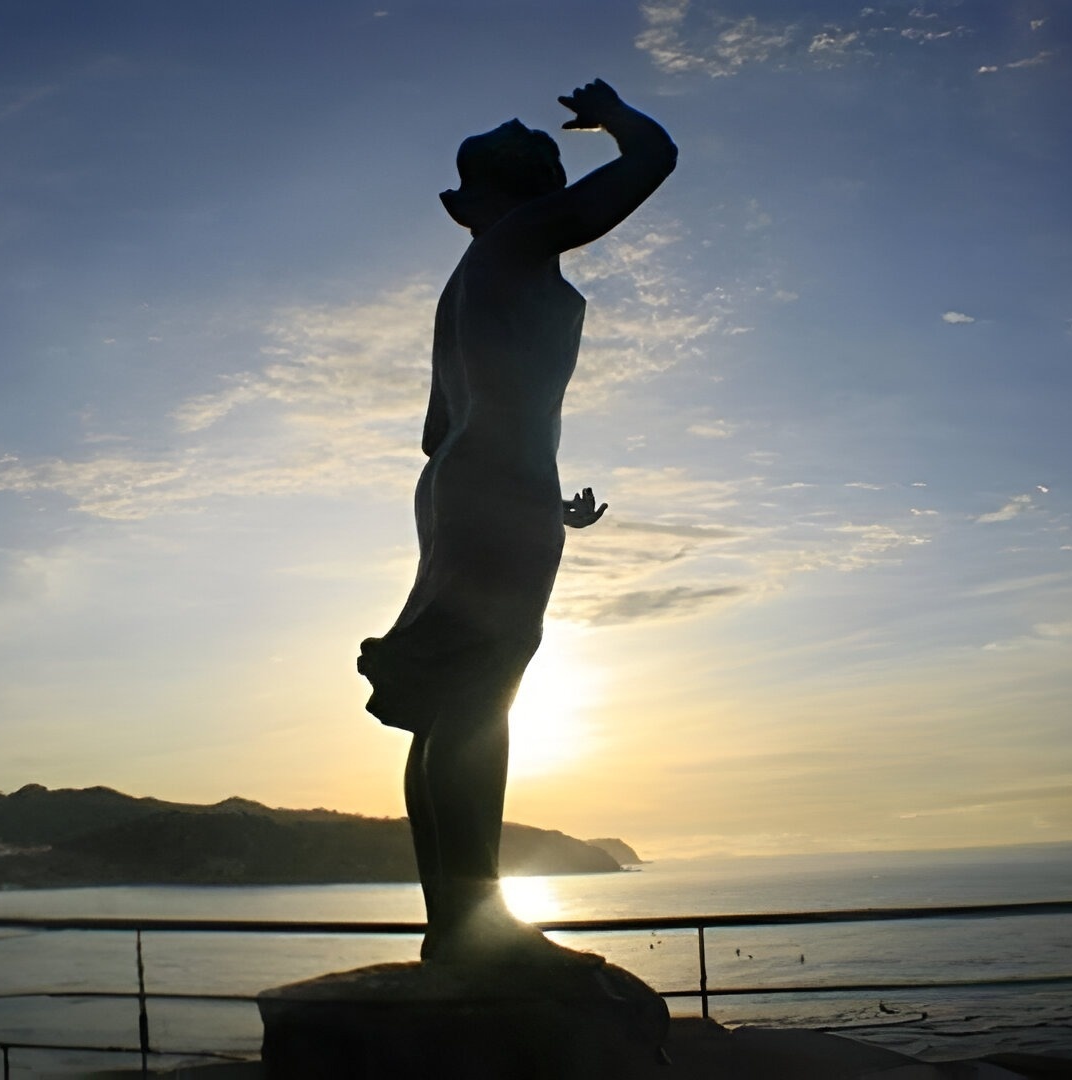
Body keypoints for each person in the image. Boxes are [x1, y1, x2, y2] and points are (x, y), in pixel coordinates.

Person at [359, 79, 676, 964]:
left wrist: (531, 493)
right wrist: (614, 114)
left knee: (448, 703)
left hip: (460, 491)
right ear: (524, 193)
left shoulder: (465, 283)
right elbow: (655, 159)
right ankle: (480, 931)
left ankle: (452, 926)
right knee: (479, 702)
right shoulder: (521, 239)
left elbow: (439, 432)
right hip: (496, 489)